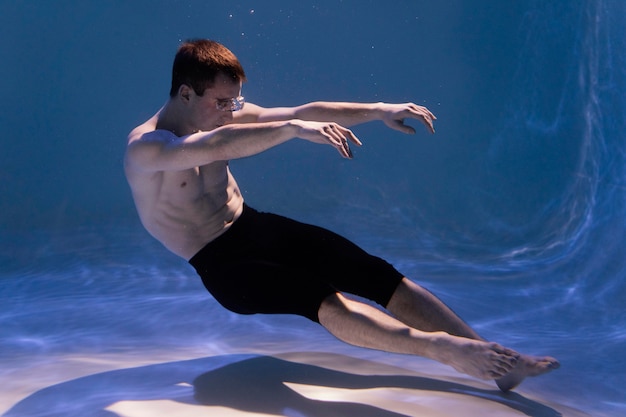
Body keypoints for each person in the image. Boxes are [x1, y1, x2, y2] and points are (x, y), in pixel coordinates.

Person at [124, 39, 559, 392]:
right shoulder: (147, 148)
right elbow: (217, 147)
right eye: (222, 103)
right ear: (185, 93)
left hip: (252, 225)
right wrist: (290, 132)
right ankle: (443, 350)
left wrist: (380, 110)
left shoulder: (217, 116)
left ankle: (498, 362)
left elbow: (303, 111)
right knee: (322, 297)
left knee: (373, 272)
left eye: (235, 104)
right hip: (220, 264)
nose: (230, 113)